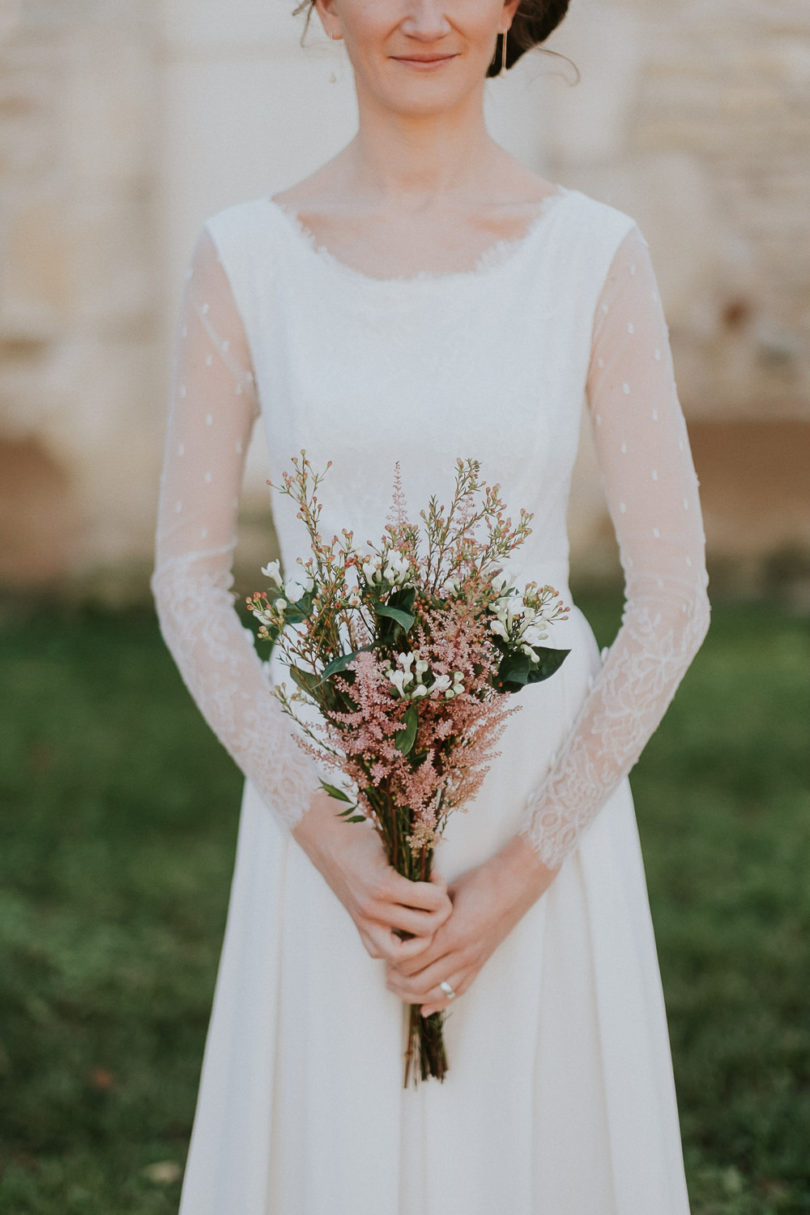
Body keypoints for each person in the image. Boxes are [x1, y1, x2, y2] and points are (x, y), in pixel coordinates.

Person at [152, 1, 711, 1211]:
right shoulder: (243, 255)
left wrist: (521, 870)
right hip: (331, 817)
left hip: (537, 802)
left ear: (512, 3)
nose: (423, 15)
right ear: (325, 6)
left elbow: (672, 597)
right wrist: (334, 843)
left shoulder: (593, 252)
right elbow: (187, 581)